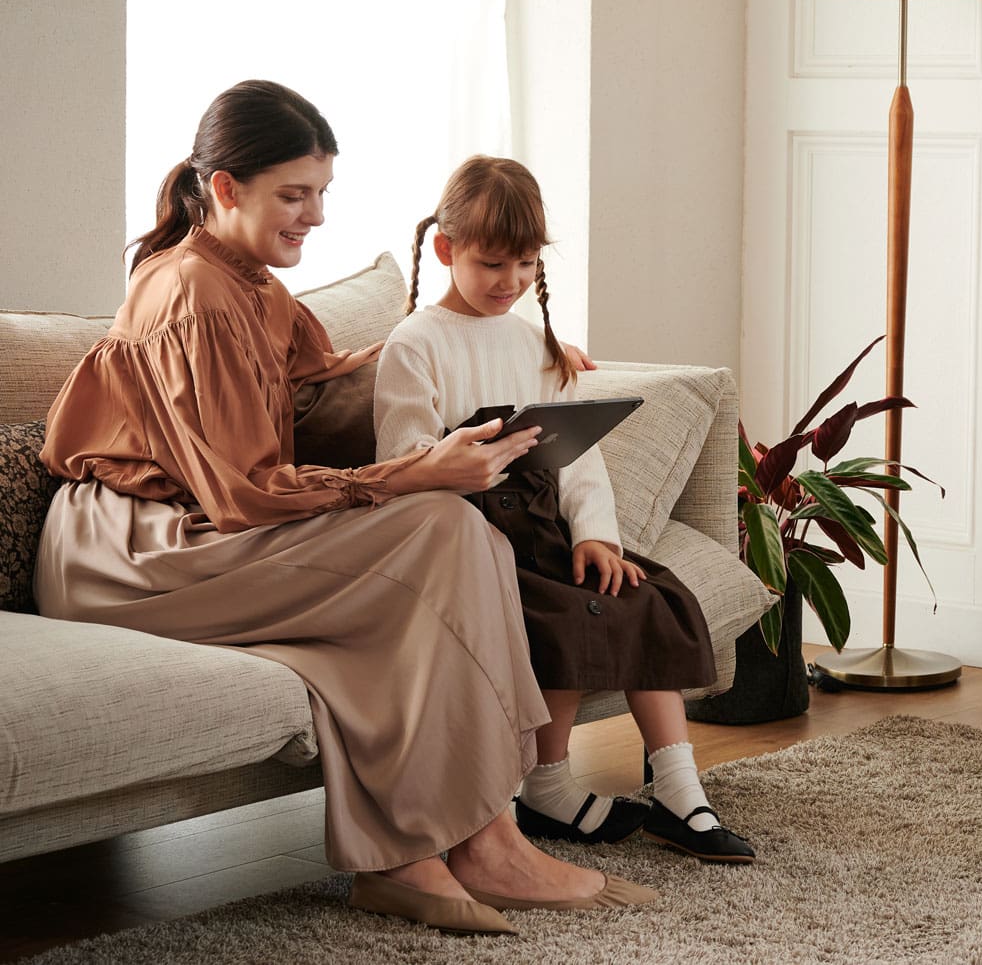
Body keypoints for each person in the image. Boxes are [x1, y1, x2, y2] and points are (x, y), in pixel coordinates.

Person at [35, 80, 653, 937]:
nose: (315, 215)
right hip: (137, 551)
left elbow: (322, 382)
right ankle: (480, 841)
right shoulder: (193, 293)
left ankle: (470, 839)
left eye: (321, 192)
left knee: (455, 533)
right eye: (295, 194)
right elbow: (243, 491)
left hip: (199, 532)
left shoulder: (253, 283)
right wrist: (406, 474)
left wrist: (505, 354)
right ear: (224, 188)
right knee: (440, 523)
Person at [374, 155, 755, 862]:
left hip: (544, 525)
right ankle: (546, 787)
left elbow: (578, 460)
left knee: (642, 592)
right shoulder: (415, 346)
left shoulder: (536, 344)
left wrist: (597, 536)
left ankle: (680, 791)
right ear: (446, 249)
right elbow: (404, 461)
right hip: (474, 538)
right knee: (568, 610)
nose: (510, 282)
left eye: (524, 264)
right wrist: (457, 456)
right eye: (492, 263)